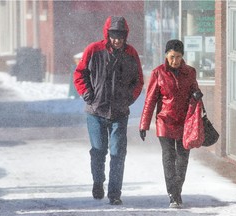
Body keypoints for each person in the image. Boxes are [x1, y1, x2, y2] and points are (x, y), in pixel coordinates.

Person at [73, 16, 144, 205]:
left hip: (119, 113)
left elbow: (138, 81)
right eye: (114, 36)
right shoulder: (93, 50)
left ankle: (115, 193)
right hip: (95, 111)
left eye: (120, 36)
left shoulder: (131, 54)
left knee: (118, 152)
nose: (117, 40)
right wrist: (87, 93)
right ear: (107, 34)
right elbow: (80, 73)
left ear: (125, 36)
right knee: (98, 150)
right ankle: (98, 182)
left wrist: (129, 99)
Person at [139, 39, 201, 208]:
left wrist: (196, 94)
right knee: (168, 157)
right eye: (172, 56)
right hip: (164, 121)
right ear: (166, 55)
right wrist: (144, 124)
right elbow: (150, 100)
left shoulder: (190, 72)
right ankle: (173, 195)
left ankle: (177, 190)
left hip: (184, 122)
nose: (175, 61)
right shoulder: (158, 73)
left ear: (183, 57)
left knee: (182, 159)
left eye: (178, 57)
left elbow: (195, 89)